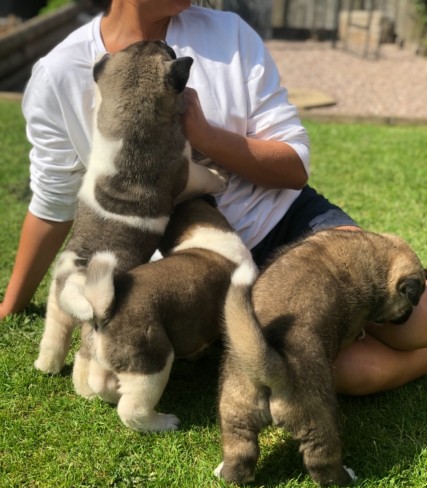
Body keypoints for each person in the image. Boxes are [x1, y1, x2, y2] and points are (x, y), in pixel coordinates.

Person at [1, 0, 426, 396]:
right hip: (206, 267)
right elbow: (51, 205)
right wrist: (10, 306)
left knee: (414, 323)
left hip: (291, 222)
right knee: (345, 371)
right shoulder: (60, 75)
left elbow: (293, 167)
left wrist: (204, 135)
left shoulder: (228, 35)